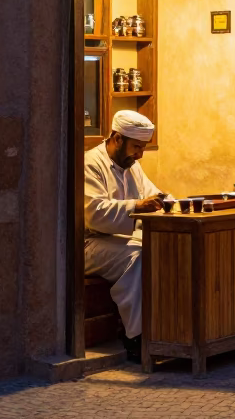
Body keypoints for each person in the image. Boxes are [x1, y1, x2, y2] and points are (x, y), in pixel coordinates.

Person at [84, 110, 166, 363]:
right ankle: (137, 337)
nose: (140, 154)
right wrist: (136, 207)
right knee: (137, 255)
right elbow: (94, 214)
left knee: (162, 248)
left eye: (143, 148)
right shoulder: (90, 164)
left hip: (122, 239)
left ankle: (167, 329)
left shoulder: (133, 166)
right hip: (89, 243)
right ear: (117, 138)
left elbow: (154, 196)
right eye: (136, 147)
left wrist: (171, 203)